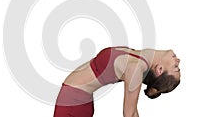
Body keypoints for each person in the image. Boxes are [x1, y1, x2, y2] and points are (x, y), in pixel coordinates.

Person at [53, 46, 181, 117]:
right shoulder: (145, 57)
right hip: (78, 102)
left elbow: (130, 114)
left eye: (176, 68)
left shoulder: (136, 68)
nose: (178, 61)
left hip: (72, 104)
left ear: (159, 69)